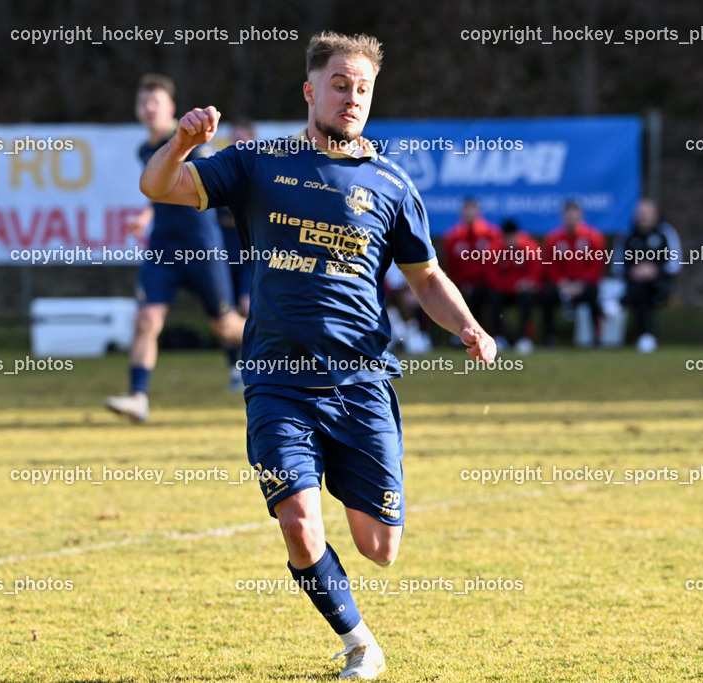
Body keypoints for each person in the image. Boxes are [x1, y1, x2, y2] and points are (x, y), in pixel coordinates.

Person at [137, 31, 497, 679]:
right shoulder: (258, 162)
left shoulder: (391, 183)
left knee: (379, 546)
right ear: (310, 91)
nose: (352, 97)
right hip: (277, 379)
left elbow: (425, 277)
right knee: (299, 522)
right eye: (339, 84)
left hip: (361, 381)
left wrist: (468, 327)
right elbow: (158, 184)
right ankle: (360, 641)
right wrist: (185, 141)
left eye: (362, 88)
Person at [105, 74, 245, 423]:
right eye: (143, 102)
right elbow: (163, 187)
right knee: (147, 319)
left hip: (201, 248)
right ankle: (138, 397)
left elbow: (211, 182)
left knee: (226, 327)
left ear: (171, 108)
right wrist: (147, 213)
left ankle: (289, 340)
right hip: (162, 248)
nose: (148, 108)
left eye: (155, 102)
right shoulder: (144, 150)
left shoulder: (194, 143)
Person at [612, 198, 681, 353]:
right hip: (635, 285)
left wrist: (654, 270)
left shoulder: (665, 233)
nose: (643, 216)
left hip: (659, 286)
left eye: (646, 213)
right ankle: (647, 337)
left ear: (655, 215)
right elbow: (617, 264)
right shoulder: (627, 235)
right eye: (640, 213)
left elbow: (675, 262)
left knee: (644, 289)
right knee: (640, 290)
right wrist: (634, 271)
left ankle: (620, 303)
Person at [217, 118, 256, 390]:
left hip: (250, 255)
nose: (239, 144)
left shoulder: (262, 174)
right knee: (225, 313)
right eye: (235, 139)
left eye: (244, 139)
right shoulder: (219, 172)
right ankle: (234, 368)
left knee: (248, 305)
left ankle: (255, 362)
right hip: (221, 257)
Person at [541, 200, 606, 347]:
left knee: (593, 295)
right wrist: (561, 283)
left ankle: (597, 337)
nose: (571, 220)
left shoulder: (593, 238)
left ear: (581, 216)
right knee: (547, 296)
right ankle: (549, 338)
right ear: (562, 217)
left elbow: (596, 266)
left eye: (574, 216)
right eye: (568, 216)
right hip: (562, 285)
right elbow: (550, 266)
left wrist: (581, 284)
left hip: (584, 285)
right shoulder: (553, 239)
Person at [441, 198, 503, 331]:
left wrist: (488, 281)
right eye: (466, 210)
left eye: (472, 209)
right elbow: (451, 265)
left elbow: (494, 262)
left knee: (495, 296)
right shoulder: (453, 237)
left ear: (478, 212)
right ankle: (459, 333)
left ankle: (496, 333)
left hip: (487, 284)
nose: (469, 213)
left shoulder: (491, 234)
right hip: (463, 284)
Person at [489, 219, 542, 354]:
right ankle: (498, 337)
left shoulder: (530, 248)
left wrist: (528, 284)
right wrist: (515, 285)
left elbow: (536, 274)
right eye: (507, 237)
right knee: (494, 299)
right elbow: (492, 277)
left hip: (523, 292)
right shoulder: (495, 249)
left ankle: (525, 338)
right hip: (505, 291)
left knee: (527, 299)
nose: (510, 241)